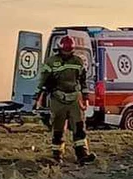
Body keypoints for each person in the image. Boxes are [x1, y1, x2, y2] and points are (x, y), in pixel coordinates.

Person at [35, 36, 97, 164]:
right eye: (65, 51)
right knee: (58, 128)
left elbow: (83, 81)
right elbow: (42, 80)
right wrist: (38, 96)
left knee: (79, 127)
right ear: (60, 49)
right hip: (57, 98)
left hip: (74, 98)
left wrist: (85, 97)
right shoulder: (51, 62)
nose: (67, 54)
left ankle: (82, 155)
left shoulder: (78, 62)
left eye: (69, 51)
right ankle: (57, 155)